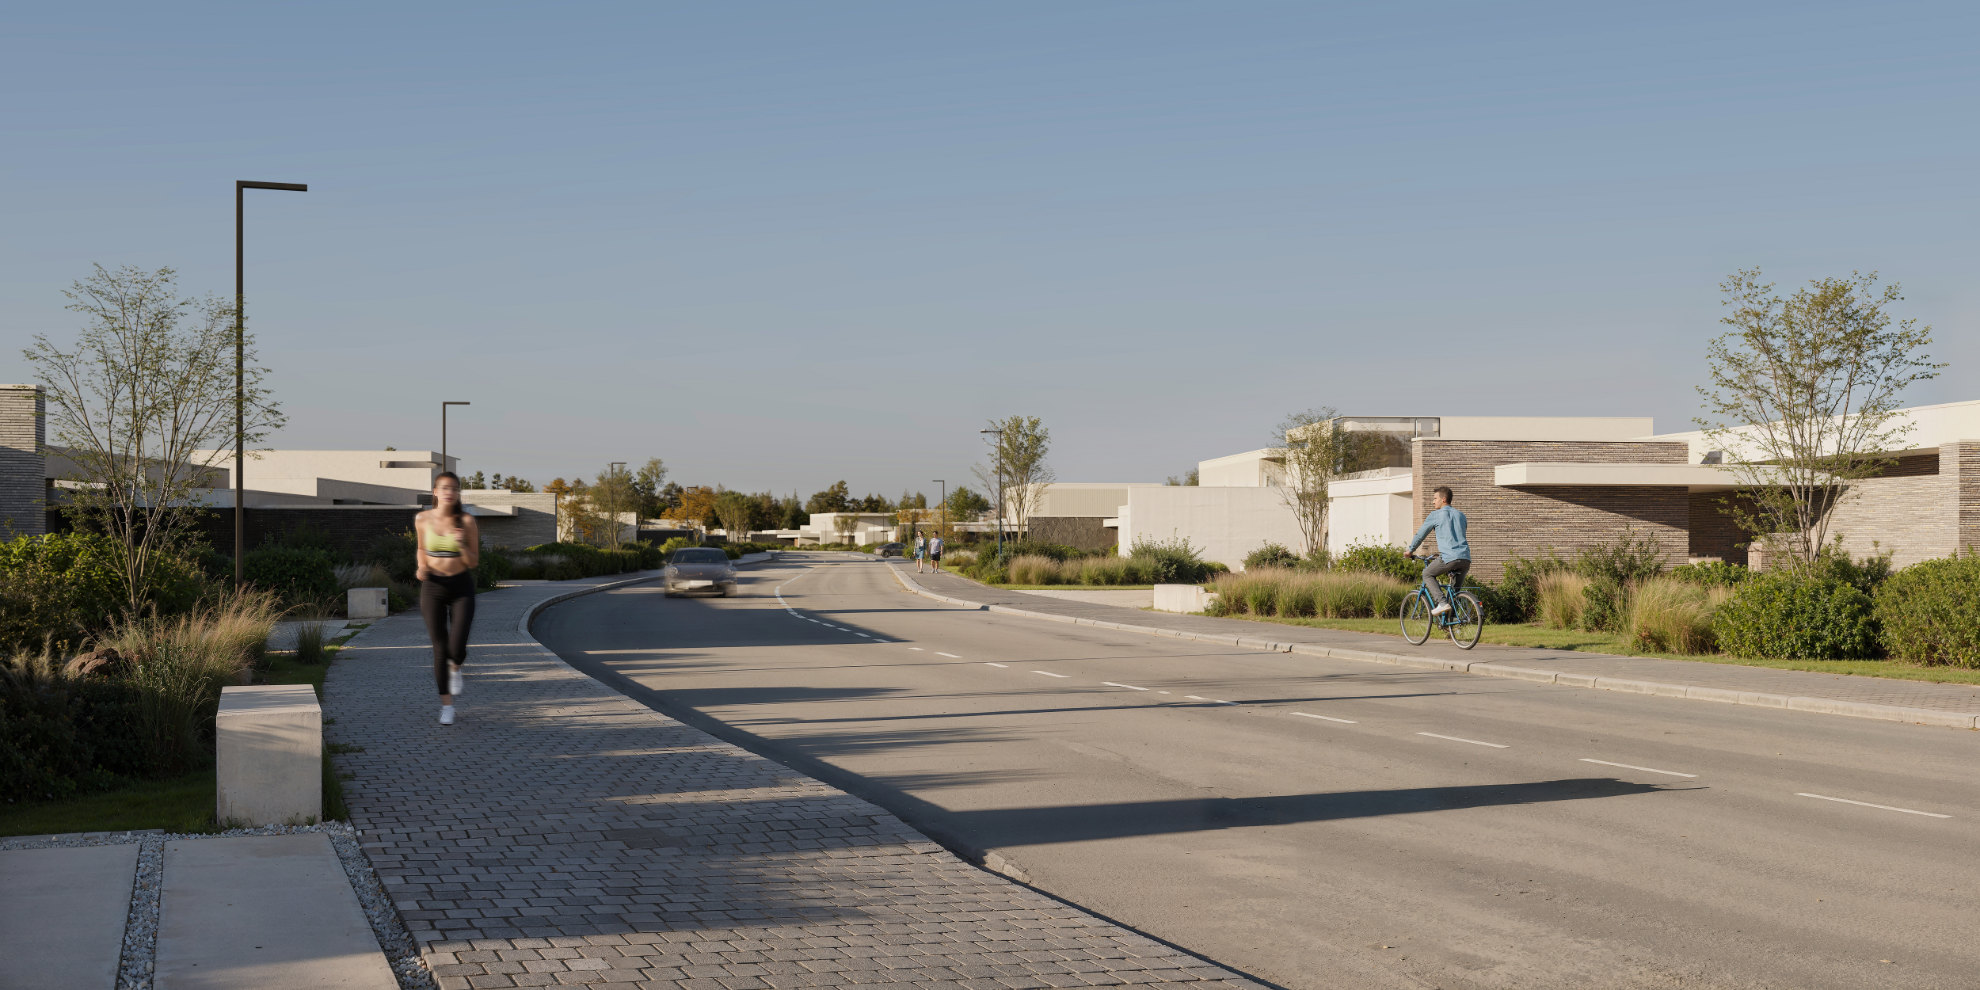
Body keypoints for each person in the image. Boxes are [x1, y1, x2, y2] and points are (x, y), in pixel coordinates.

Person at [416, 471, 481, 725]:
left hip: (461, 587)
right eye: (444, 488)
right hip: (433, 587)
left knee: (456, 647)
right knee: (440, 648)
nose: (449, 492)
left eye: (454, 488)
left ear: (458, 493)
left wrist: (461, 544)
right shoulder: (422, 519)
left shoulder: (466, 521)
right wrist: (421, 566)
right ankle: (447, 706)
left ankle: (456, 666)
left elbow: (473, 562)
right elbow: (421, 548)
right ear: (435, 491)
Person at [1404, 485, 1469, 615]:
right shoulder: (1461, 515)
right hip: (1465, 558)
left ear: (1443, 499)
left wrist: (1410, 550)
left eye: (1435, 498)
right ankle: (1451, 624)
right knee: (1454, 595)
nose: (1433, 502)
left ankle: (1441, 602)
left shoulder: (1435, 515)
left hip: (1449, 557)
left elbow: (1420, 535)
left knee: (1427, 574)